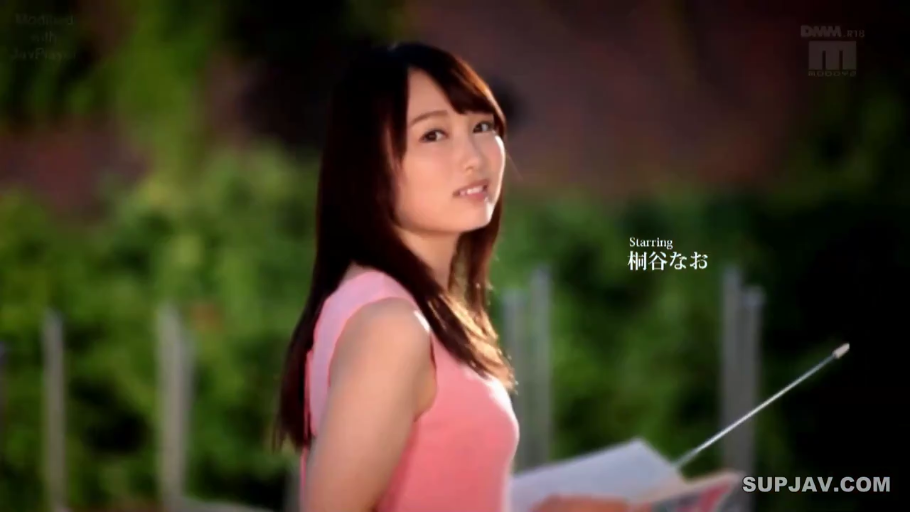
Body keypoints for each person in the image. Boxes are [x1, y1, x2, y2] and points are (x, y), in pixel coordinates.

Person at [273, 41, 633, 512]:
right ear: (370, 166)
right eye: (434, 135)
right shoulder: (391, 326)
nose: (474, 157)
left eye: (482, 126)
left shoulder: (403, 306)